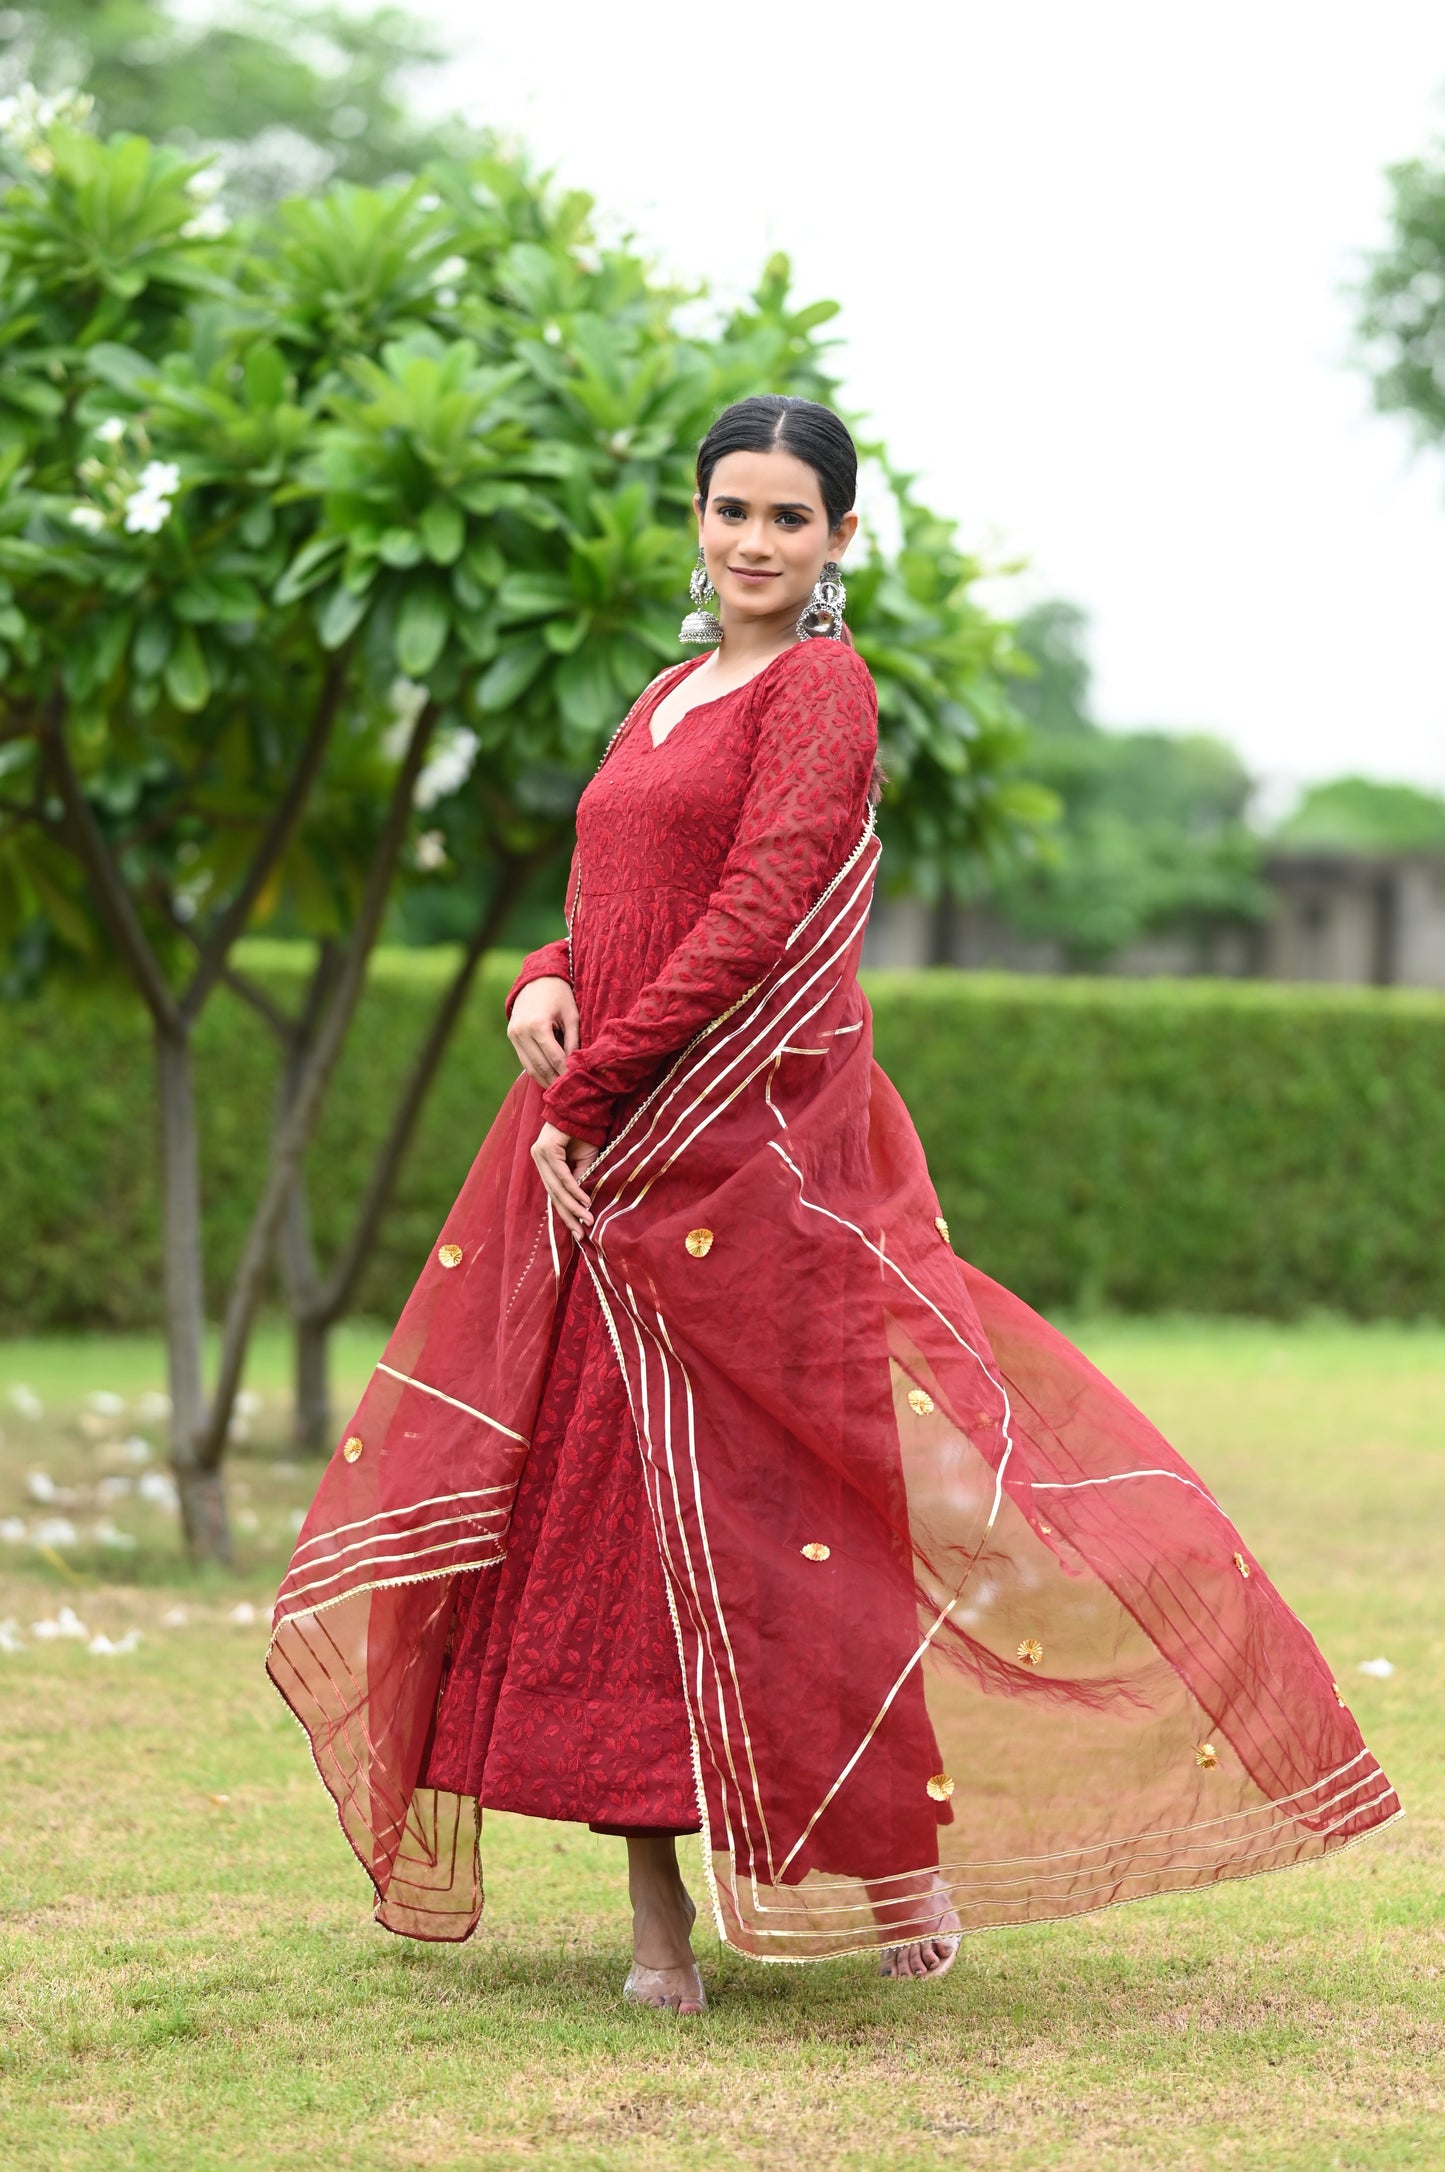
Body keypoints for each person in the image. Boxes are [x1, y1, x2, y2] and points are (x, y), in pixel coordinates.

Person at [268, 397, 1399, 2018]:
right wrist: (539, 984)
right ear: (696, 518)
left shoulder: (821, 691)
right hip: (612, 1166)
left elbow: (753, 913)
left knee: (784, 1530)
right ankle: (656, 1921)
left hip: (745, 1175)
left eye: (788, 518)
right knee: (608, 1528)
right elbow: (610, 903)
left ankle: (888, 1860)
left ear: (839, 542)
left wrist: (587, 1095)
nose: (752, 541)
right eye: (730, 510)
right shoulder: (664, 696)